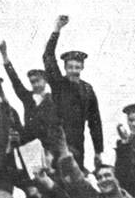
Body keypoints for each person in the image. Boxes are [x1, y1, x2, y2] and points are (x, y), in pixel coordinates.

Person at [43, 15, 104, 165]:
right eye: (70, 67)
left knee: (76, 182)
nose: (74, 71)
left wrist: (98, 151)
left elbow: (95, 122)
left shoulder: (87, 90)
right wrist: (56, 30)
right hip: (57, 144)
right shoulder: (58, 83)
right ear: (65, 68)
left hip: (77, 146)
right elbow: (48, 57)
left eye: (77, 67)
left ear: (82, 67)